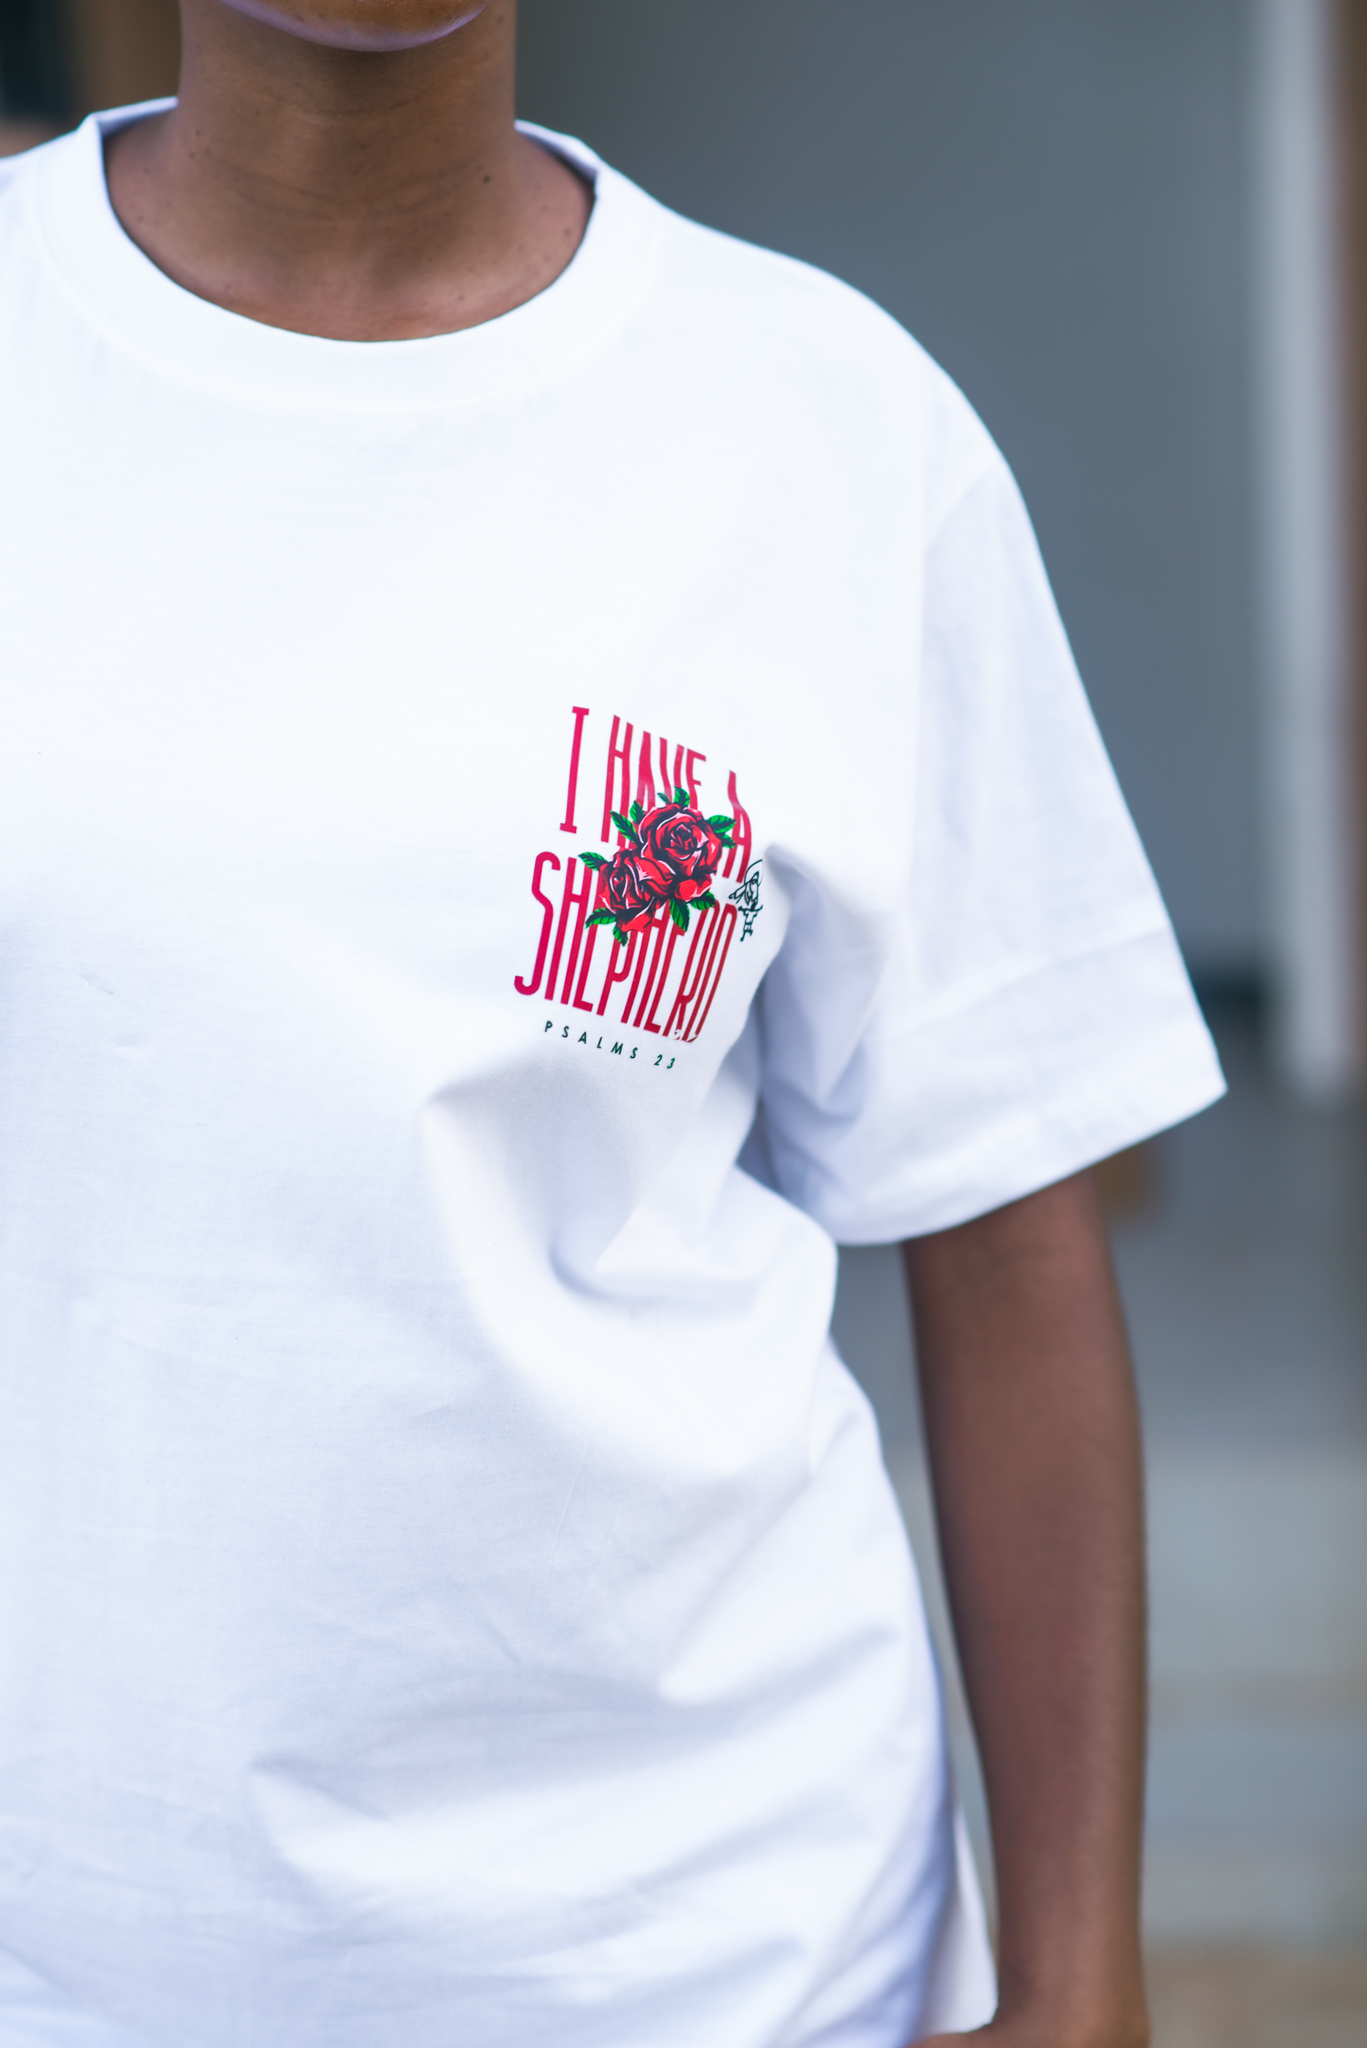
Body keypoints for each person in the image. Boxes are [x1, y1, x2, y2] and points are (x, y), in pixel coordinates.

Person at [0, 4, 1224, 2045]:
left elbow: (1011, 1238)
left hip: (725, 1960)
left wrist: (1082, 1978)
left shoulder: (827, 427)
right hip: (74, 1946)